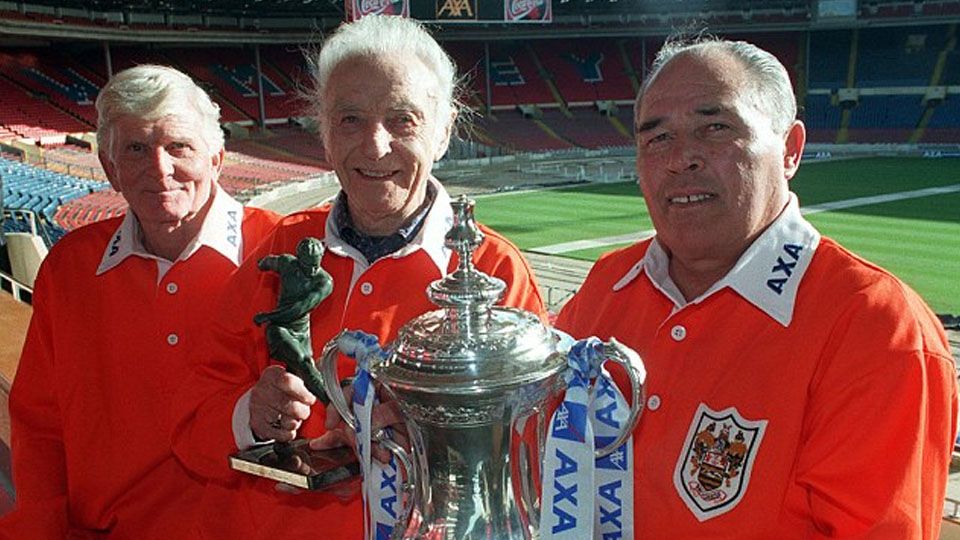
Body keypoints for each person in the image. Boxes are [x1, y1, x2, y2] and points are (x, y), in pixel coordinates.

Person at [555, 37, 958, 538]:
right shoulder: (606, 285)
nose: (681, 159)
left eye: (715, 128)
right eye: (656, 138)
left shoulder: (879, 328)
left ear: (790, 149)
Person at [170, 14, 546, 539]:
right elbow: (189, 423)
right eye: (350, 119)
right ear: (323, 131)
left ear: (443, 131)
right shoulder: (282, 248)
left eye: (403, 120)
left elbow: (537, 453)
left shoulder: (494, 272)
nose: (374, 146)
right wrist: (250, 415)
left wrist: (421, 430)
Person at [0, 65, 280, 538]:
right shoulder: (70, 266)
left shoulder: (280, 250)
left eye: (179, 147)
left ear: (217, 158)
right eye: (135, 149)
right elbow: (39, 426)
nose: (160, 169)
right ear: (110, 168)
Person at [254, 237, 333, 402]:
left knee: (295, 374)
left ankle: (332, 404)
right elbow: (270, 262)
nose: (312, 271)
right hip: (279, 328)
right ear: (299, 259)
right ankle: (330, 402)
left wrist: (268, 316)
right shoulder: (287, 264)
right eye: (307, 266)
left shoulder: (324, 282)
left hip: (301, 332)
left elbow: (298, 309)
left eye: (315, 266)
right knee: (302, 362)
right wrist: (263, 263)